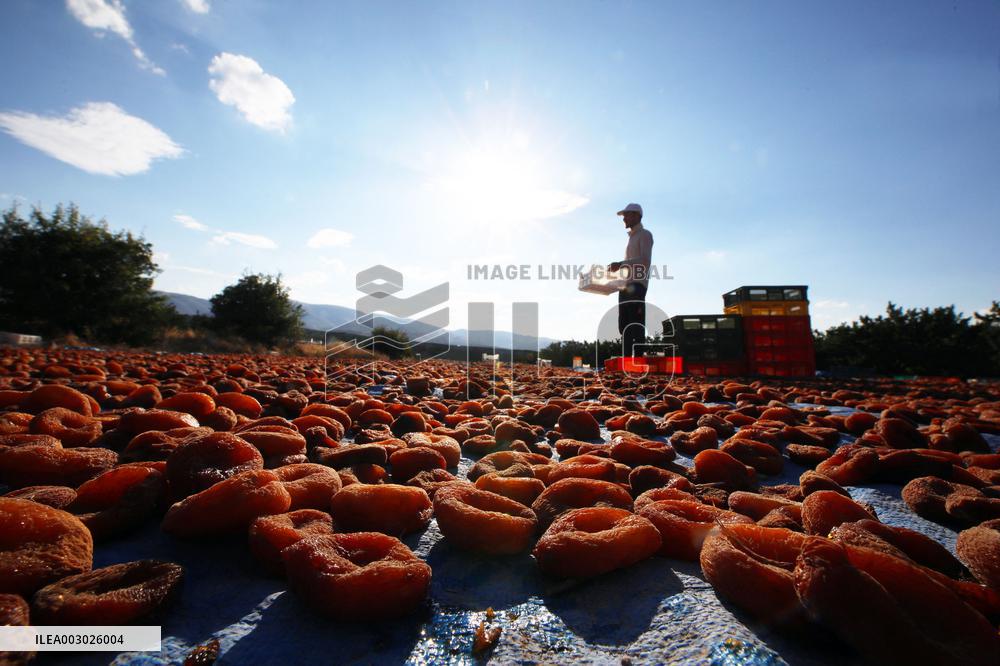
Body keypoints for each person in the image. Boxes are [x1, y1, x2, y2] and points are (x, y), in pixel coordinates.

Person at [608, 203, 653, 358]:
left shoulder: (645, 235)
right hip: (626, 286)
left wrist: (621, 264)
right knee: (624, 325)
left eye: (626, 215)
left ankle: (639, 358)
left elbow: (645, 261)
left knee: (636, 324)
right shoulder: (632, 238)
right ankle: (627, 359)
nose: (624, 219)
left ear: (636, 215)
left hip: (638, 285)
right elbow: (632, 264)